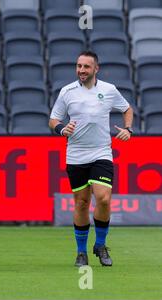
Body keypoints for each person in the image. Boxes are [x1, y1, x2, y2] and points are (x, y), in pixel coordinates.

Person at [49, 51, 134, 267]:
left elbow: (127, 109)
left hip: (101, 152)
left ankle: (101, 244)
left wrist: (128, 129)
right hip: (76, 154)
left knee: (103, 198)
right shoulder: (67, 91)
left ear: (96, 69)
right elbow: (53, 119)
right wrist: (61, 128)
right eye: (78, 66)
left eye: (86, 66)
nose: (81, 70)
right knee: (81, 203)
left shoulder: (109, 90)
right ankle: (81, 252)